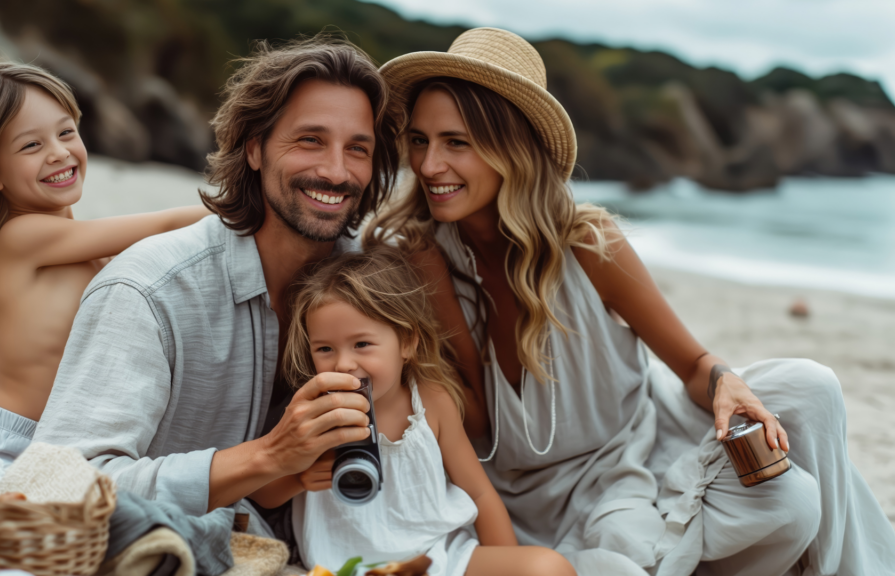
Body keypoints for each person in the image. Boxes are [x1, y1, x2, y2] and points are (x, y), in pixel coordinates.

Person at [368, 27, 895, 576]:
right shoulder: (421, 260)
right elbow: (477, 426)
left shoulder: (590, 242)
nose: (429, 166)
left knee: (813, 389)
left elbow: (690, 364)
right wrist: (431, 275)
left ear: (512, 150)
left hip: (642, 441)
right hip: (540, 496)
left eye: (457, 142)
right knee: (784, 507)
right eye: (421, 140)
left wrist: (725, 381)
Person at [31, 35, 403, 539]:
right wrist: (271, 456)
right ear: (254, 148)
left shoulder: (376, 282)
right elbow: (55, 490)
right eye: (310, 140)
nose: (336, 172)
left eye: (357, 149)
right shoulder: (149, 290)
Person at [0, 62, 210, 464]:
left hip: (79, 440)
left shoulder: (89, 251)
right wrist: (243, 207)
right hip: (18, 442)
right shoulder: (19, 239)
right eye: (31, 146)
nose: (58, 152)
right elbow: (167, 223)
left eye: (66, 132)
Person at [249, 247, 574, 576]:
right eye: (325, 349)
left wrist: (508, 565)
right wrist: (298, 479)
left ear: (407, 343)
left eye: (362, 344)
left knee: (549, 567)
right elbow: (263, 494)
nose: (344, 363)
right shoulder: (314, 412)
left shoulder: (432, 400)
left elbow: (478, 492)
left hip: (437, 556)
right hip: (350, 566)